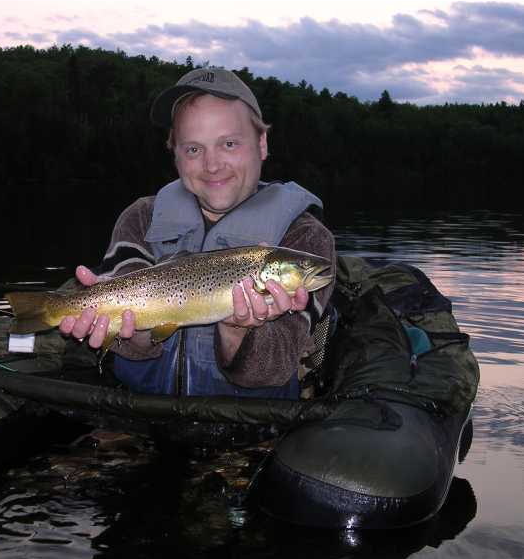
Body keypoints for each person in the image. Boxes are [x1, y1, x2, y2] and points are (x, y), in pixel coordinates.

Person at [59, 67, 335, 399]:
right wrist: (125, 330)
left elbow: (274, 369)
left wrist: (236, 329)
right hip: (143, 412)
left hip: (246, 428)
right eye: (193, 149)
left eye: (229, 143)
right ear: (174, 153)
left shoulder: (306, 238)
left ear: (262, 144)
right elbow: (133, 347)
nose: (212, 164)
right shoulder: (141, 218)